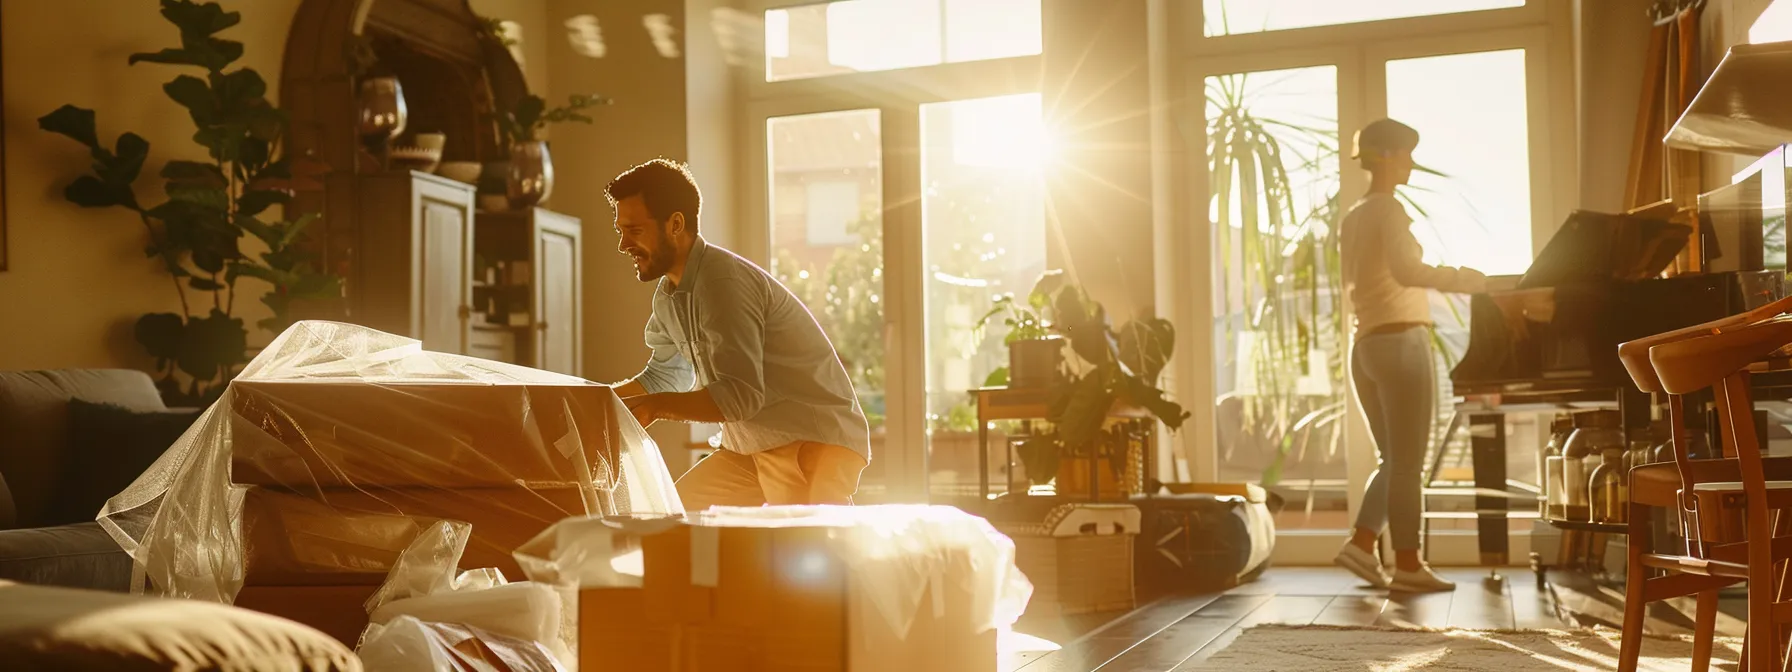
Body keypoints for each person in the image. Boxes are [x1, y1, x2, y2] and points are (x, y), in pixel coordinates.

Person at [606, 158, 871, 513]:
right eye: (620, 231)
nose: (623, 245)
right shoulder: (669, 297)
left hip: (809, 442)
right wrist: (597, 405)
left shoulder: (721, 284)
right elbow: (665, 375)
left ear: (675, 224)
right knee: (671, 525)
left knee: (818, 557)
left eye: (634, 230)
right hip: (748, 449)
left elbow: (740, 397)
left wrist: (655, 407)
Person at [1332, 119, 1488, 593]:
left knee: (1393, 458)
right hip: (1401, 343)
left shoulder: (1353, 217)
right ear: (1385, 157)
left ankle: (1361, 544)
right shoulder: (1389, 210)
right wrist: (1465, 278)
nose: (1411, 163)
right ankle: (1407, 563)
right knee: (1407, 463)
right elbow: (1406, 269)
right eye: (1405, 153)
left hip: (1365, 346)